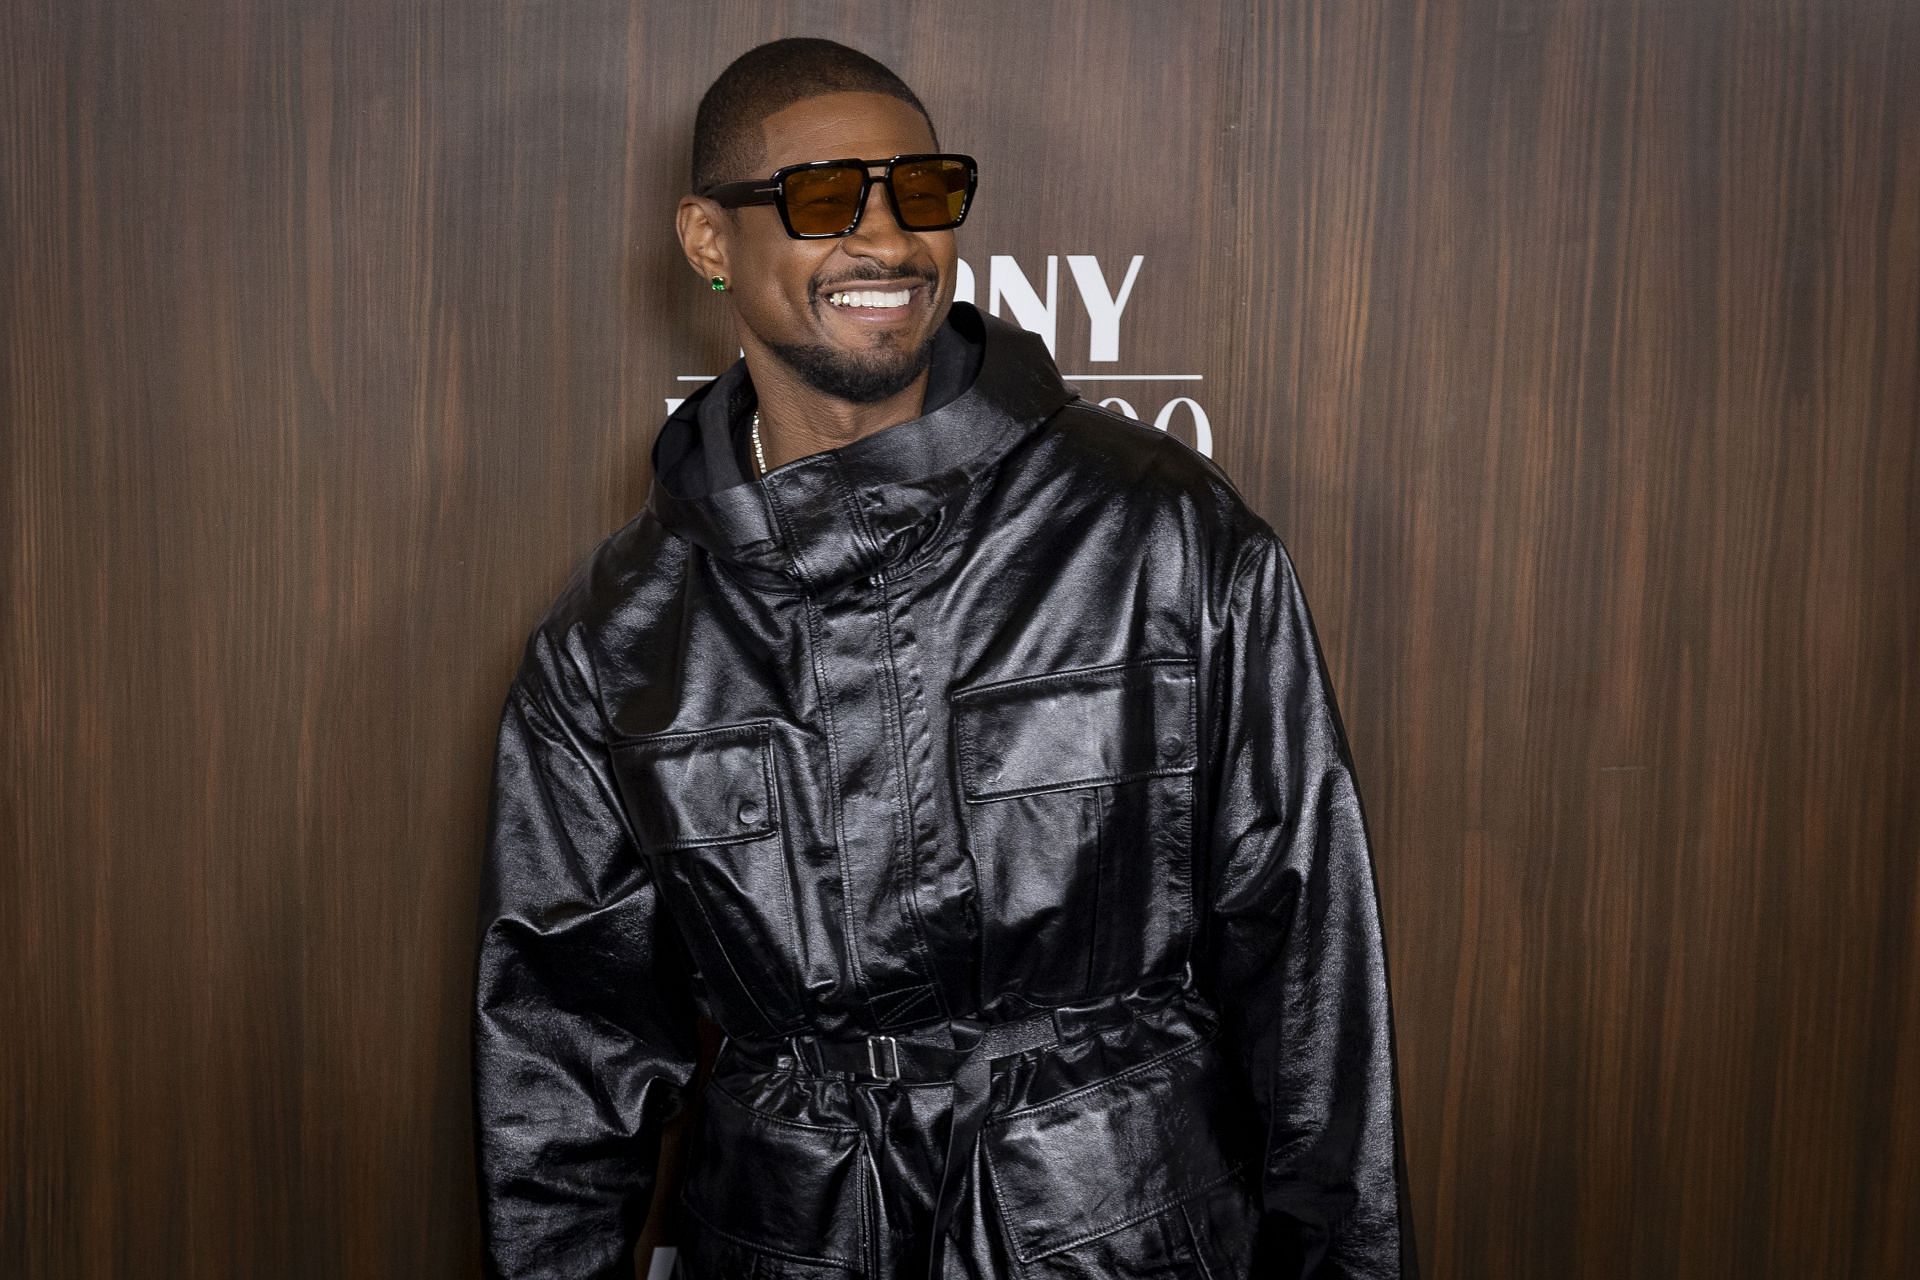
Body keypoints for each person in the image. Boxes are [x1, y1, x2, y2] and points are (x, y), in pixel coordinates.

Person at [472, 35, 1417, 1280]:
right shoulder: (618, 638)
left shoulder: (1158, 533)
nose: (888, 239)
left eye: (922, 192)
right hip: (790, 1244)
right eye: (823, 200)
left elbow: (1311, 977)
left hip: (1121, 1237)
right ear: (709, 242)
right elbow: (563, 1062)